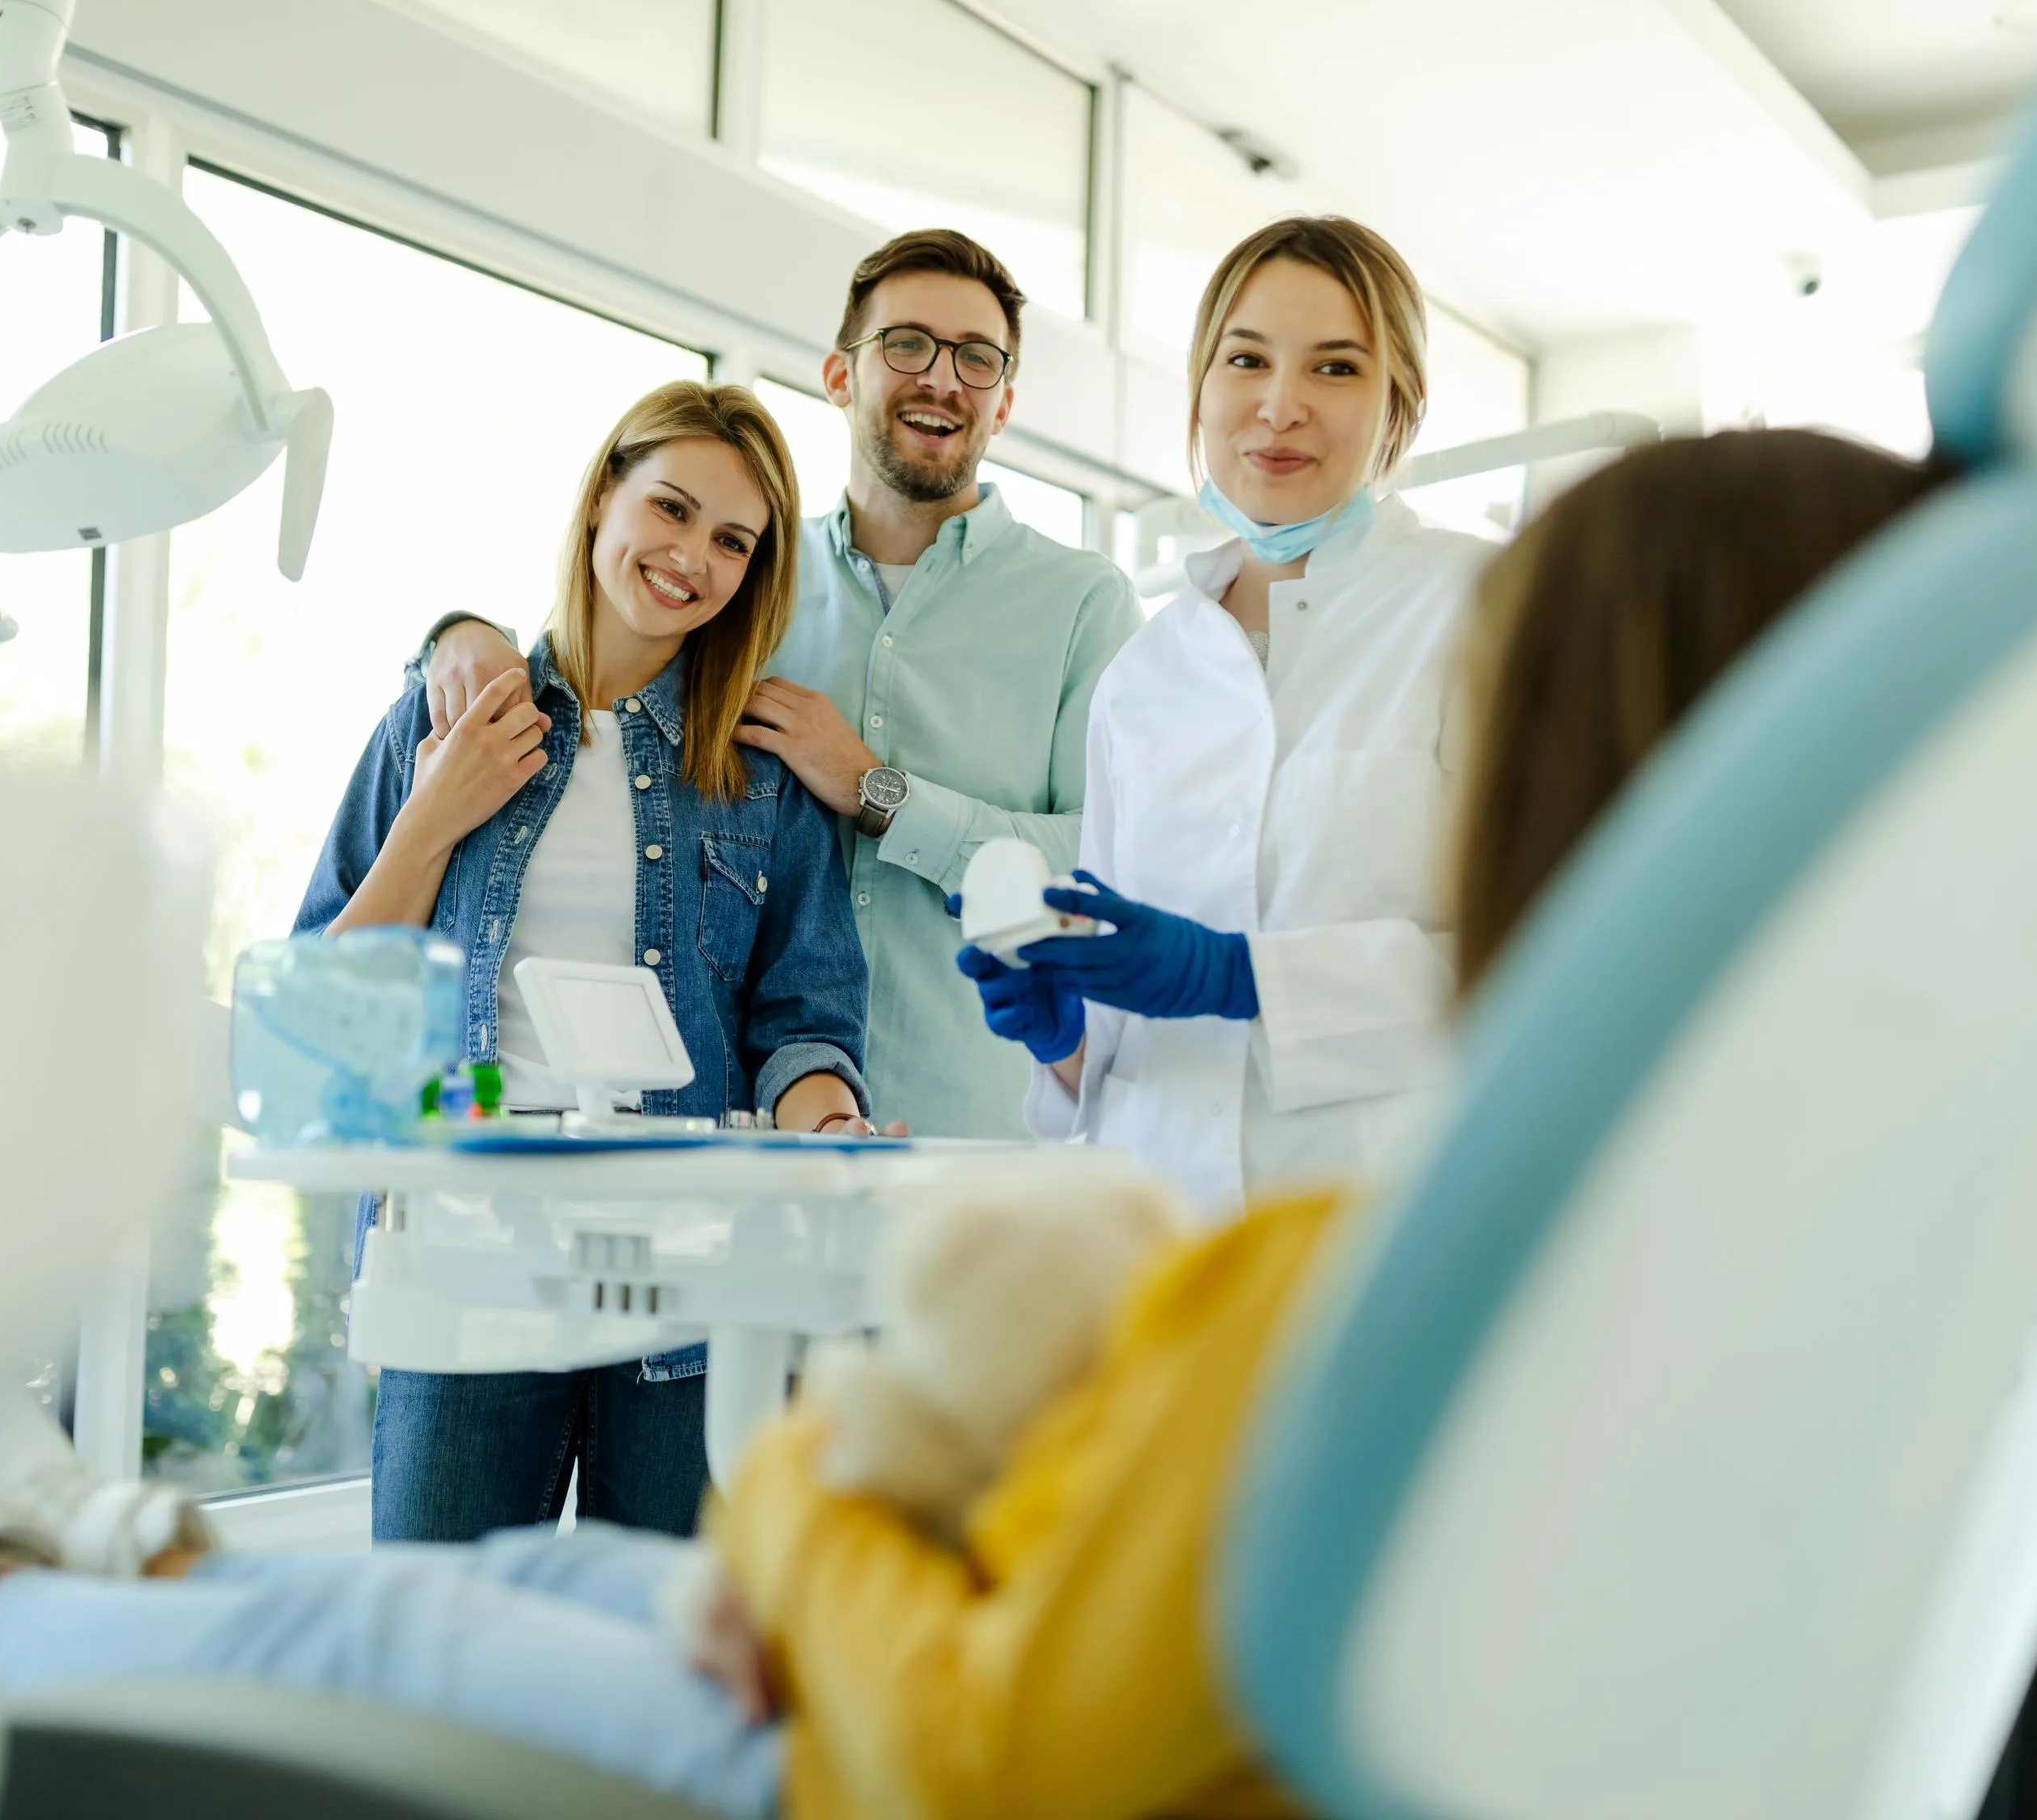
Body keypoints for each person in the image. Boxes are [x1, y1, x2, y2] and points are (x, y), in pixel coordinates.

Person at [0, 427, 1947, 1820]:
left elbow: (998, 1748)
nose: (702, 563)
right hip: (864, 1573)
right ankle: (75, 1552)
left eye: (1479, 717)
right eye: (676, 518)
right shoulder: (1749, 1222)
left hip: (847, 1748)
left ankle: (9, 1595)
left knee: (341, 1628)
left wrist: (813, 1513)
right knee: (496, 1581)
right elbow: (321, 978)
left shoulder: (1414, 1271)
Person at [298, 379, 878, 1545]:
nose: (690, 559)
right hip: (466, 1262)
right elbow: (325, 1003)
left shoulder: (757, 771)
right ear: (604, 492)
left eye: (731, 542)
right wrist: (433, 816)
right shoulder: (445, 711)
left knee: (664, 1666)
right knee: (439, 1646)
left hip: (692, 1281)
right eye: (670, 509)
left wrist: (829, 1124)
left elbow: (803, 1021)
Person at [418, 231, 1143, 1140]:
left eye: (978, 359)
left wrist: (881, 793)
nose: (944, 378)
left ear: (1003, 404)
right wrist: (455, 634)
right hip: (754, 1148)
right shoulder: (740, 572)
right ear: (841, 375)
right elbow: (591, 690)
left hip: (979, 1135)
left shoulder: (1083, 605)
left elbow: (1115, 866)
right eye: (908, 344)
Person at [960, 216, 1488, 1219]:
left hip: (1377, 1220)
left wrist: (1239, 976)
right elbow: (1120, 1056)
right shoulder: (1143, 674)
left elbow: (1538, 954)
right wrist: (1062, 1032)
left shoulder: (1480, 610)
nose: (1278, 406)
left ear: (1399, 409)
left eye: (1336, 368)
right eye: (1245, 359)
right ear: (1201, 390)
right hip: (1154, 1229)